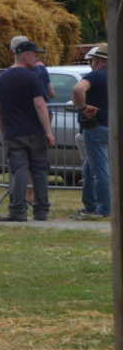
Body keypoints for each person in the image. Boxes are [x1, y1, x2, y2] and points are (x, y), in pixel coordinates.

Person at [0, 41, 55, 222]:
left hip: (14, 132)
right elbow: (40, 105)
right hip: (35, 131)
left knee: (18, 171)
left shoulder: (2, 78)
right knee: (40, 171)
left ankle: (18, 211)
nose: (37, 58)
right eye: (34, 54)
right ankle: (41, 210)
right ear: (24, 55)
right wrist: (48, 131)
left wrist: (3, 129)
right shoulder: (32, 77)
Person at [71, 43, 109, 220]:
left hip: (96, 127)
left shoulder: (96, 76)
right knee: (89, 167)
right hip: (112, 128)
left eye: (91, 60)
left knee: (100, 170)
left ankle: (104, 208)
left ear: (97, 60)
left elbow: (78, 89)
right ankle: (90, 206)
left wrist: (83, 107)